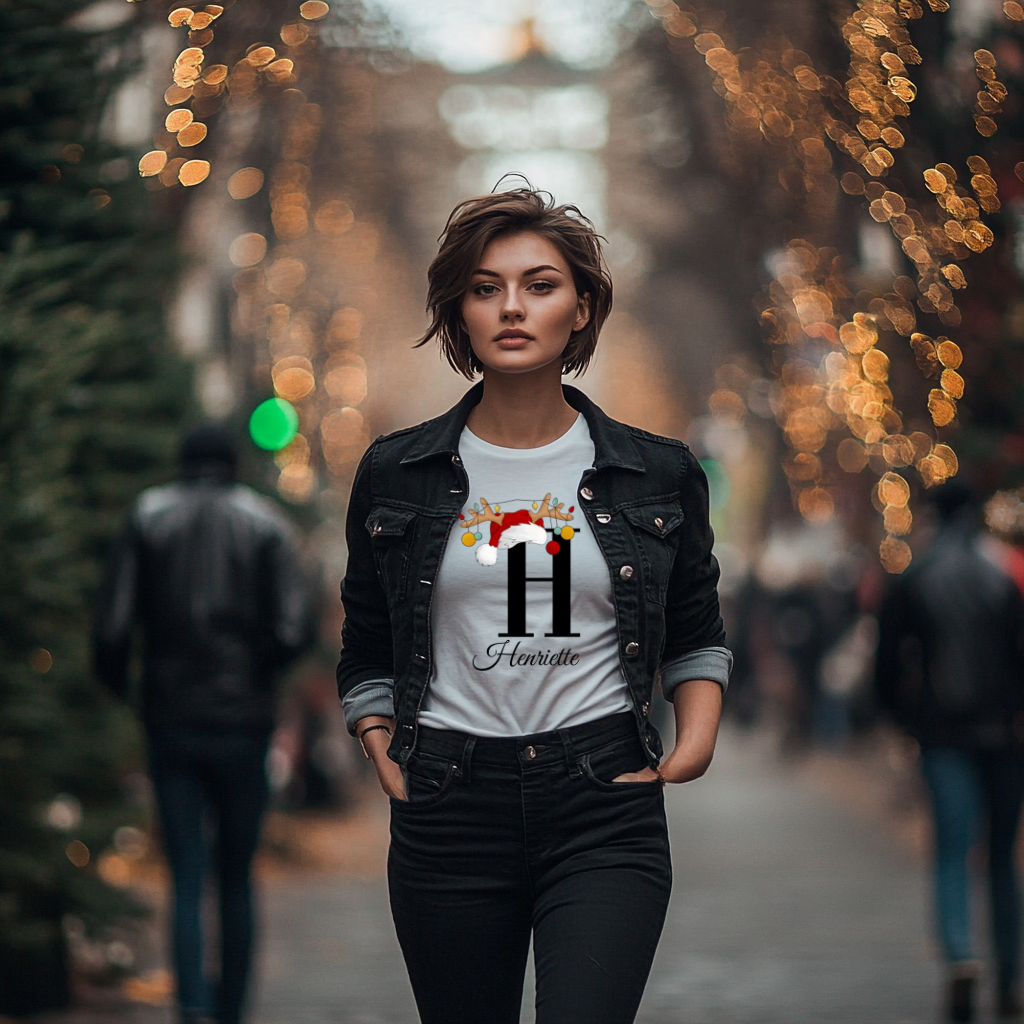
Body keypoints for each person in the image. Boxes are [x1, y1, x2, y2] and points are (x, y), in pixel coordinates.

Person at [337, 187, 731, 1024]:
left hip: (603, 806)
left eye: (540, 284)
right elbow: (367, 639)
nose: (512, 307)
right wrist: (378, 739)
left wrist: (693, 741)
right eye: (485, 288)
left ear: (581, 306)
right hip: (447, 805)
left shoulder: (657, 473)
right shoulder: (394, 472)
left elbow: (696, 627)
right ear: (459, 312)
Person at [93, 424, 313, 1024]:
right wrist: (256, 671)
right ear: (231, 463)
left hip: (170, 719)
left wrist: (127, 692)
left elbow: (112, 627)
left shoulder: (148, 516)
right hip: (244, 723)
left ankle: (191, 1007)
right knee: (237, 875)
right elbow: (296, 628)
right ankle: (230, 1008)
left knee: (185, 872)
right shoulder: (264, 523)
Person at [876, 482, 1024, 1023]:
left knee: (952, 851)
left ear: (934, 516)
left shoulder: (917, 577)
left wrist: (903, 718)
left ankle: (962, 956)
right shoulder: (1004, 574)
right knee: (1003, 858)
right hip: (1006, 736)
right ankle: (1010, 971)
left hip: (944, 736)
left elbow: (886, 663)